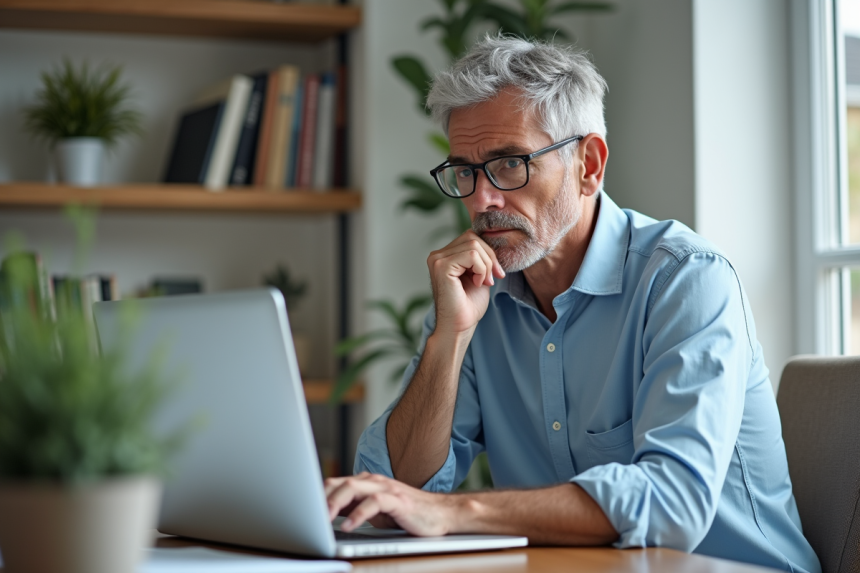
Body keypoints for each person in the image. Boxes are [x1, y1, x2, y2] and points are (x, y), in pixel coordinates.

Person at [324, 35, 820, 573]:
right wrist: (450, 338)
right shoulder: (475, 296)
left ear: (588, 164)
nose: (481, 199)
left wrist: (454, 511)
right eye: (464, 171)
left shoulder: (686, 280)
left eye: (509, 164)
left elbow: (673, 503)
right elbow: (394, 493)